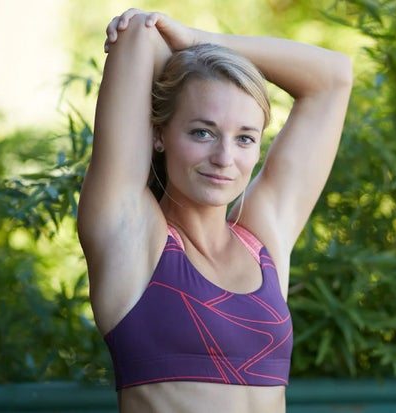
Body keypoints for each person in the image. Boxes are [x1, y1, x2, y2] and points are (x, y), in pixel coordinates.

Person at [77, 7, 352, 413]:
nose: (225, 157)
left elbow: (333, 77)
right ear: (159, 134)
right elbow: (140, 34)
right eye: (202, 132)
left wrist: (197, 39)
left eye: (244, 138)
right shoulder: (131, 237)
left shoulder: (263, 240)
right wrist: (176, 45)